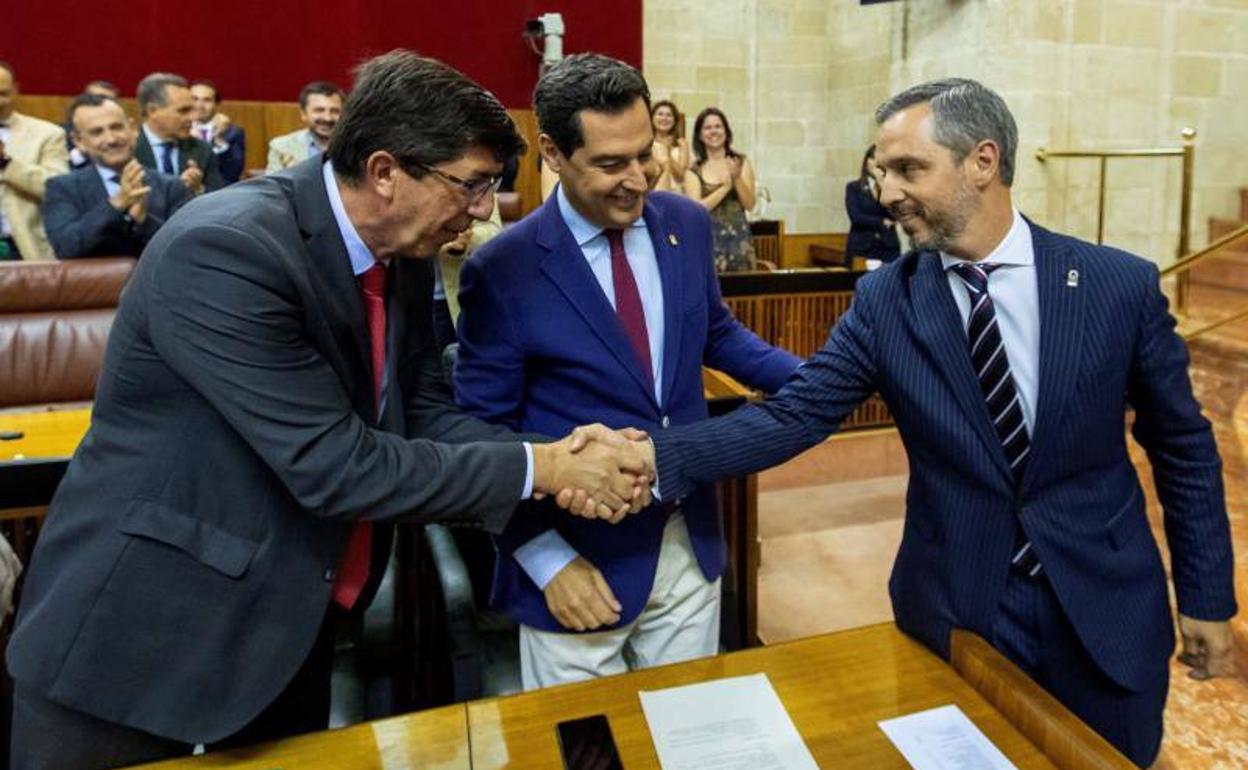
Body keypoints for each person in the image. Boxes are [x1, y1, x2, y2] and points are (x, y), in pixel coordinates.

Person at [8, 50, 649, 770]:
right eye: (471, 186)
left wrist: (559, 456)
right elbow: (334, 464)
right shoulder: (226, 249)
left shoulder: (401, 253)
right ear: (384, 172)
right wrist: (549, 466)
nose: (482, 211)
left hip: (287, 628)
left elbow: (424, 410)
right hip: (141, 643)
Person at [616, 78, 1236, 768]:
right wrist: (649, 459)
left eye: (909, 169)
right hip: (958, 612)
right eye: (883, 172)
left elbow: (1184, 450)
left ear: (983, 161)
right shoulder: (888, 299)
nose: (886, 193)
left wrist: (1207, 596)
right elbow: (796, 415)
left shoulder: (1116, 286)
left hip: (1107, 613)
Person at [454, 53, 801, 690]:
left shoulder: (687, 224)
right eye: (610, 164)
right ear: (553, 153)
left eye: (643, 155)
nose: (637, 180)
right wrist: (544, 558)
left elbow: (716, 333)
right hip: (576, 567)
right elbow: (483, 433)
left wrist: (817, 378)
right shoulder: (503, 269)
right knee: (589, 751)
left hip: (686, 544)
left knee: (690, 734)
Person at [43, 94, 191, 258]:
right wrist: (116, 205)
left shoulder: (171, 187)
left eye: (116, 127)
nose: (111, 139)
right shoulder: (63, 188)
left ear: (133, 129)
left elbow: (181, 251)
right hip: (93, 283)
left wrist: (141, 221)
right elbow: (66, 247)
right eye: (97, 132)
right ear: (79, 141)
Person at [0, 61, 69, 260]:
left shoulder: (47, 134)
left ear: (15, 91)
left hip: (23, 250)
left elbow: (59, 190)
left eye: (2, 93)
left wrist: (7, 163)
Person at [683, 108, 757, 272]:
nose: (713, 131)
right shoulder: (693, 170)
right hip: (707, 242)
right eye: (707, 128)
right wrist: (725, 188)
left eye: (718, 126)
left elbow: (750, 204)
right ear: (700, 135)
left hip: (739, 241)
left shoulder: (741, 162)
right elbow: (696, 209)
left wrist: (736, 178)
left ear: (726, 131)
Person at [134, 72, 224, 194]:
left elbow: (218, 199)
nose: (192, 118)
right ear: (152, 111)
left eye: (191, 110)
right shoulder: (127, 151)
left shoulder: (202, 150)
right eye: (183, 111)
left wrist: (199, 190)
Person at [267, 81, 344, 172]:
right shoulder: (282, 147)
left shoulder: (357, 148)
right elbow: (273, 185)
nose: (327, 118)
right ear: (303, 114)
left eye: (335, 111)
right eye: (319, 110)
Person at [845, 144, 900, 265]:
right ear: (867, 161)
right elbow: (856, 217)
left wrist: (882, 185)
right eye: (874, 158)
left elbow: (895, 214)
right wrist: (881, 222)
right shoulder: (854, 187)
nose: (877, 163)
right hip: (862, 246)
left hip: (887, 246)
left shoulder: (890, 188)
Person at [190, 80, 246, 185]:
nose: (199, 105)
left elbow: (233, 174)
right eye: (194, 99)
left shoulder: (233, 132)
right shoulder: (177, 130)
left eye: (207, 100)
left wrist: (219, 139)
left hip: (219, 192)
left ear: (216, 104)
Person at [67, 81, 120, 169]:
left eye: (110, 101)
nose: (101, 104)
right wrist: (81, 153)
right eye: (96, 99)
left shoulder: (120, 134)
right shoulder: (61, 133)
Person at [650, 99, 688, 193]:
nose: (664, 118)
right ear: (652, 118)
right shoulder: (646, 142)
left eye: (669, 115)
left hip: (675, 192)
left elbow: (680, 176)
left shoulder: (682, 143)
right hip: (653, 190)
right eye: (660, 114)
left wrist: (668, 152)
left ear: (674, 120)